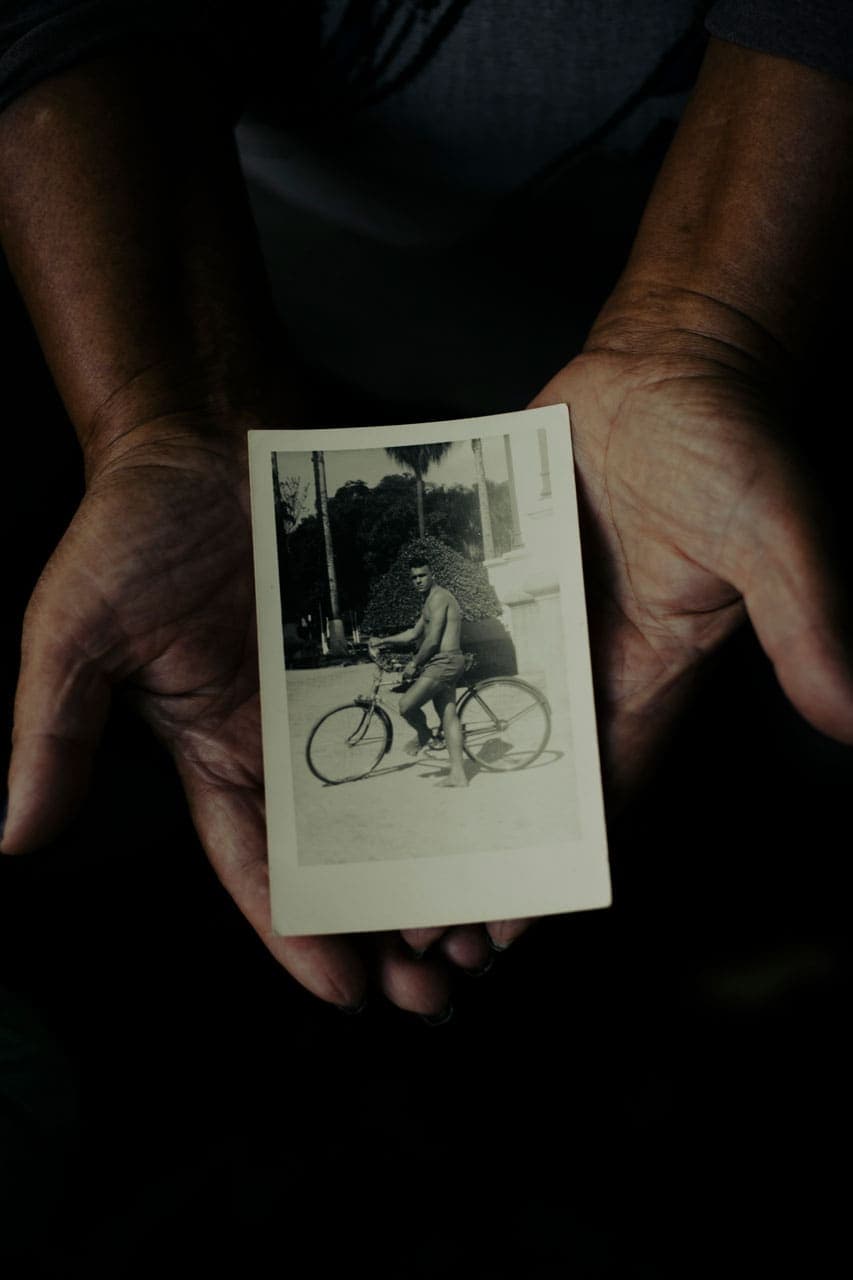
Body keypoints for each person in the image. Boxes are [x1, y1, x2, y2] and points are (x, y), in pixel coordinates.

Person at [0, 4, 851, 1023]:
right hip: (396, 273)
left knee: (445, 688)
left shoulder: (455, 583)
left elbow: (439, 632)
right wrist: (163, 410)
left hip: (766, 269)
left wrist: (711, 328)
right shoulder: (429, 560)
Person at [371, 556, 468, 787]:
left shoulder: (439, 598)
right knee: (448, 715)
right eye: (414, 577)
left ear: (432, 573)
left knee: (406, 705)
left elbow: (433, 640)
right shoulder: (429, 601)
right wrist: (383, 641)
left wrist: (414, 663)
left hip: (444, 662)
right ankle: (458, 775)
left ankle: (424, 735)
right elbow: (413, 634)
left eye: (422, 575)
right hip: (446, 661)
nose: (418, 581)